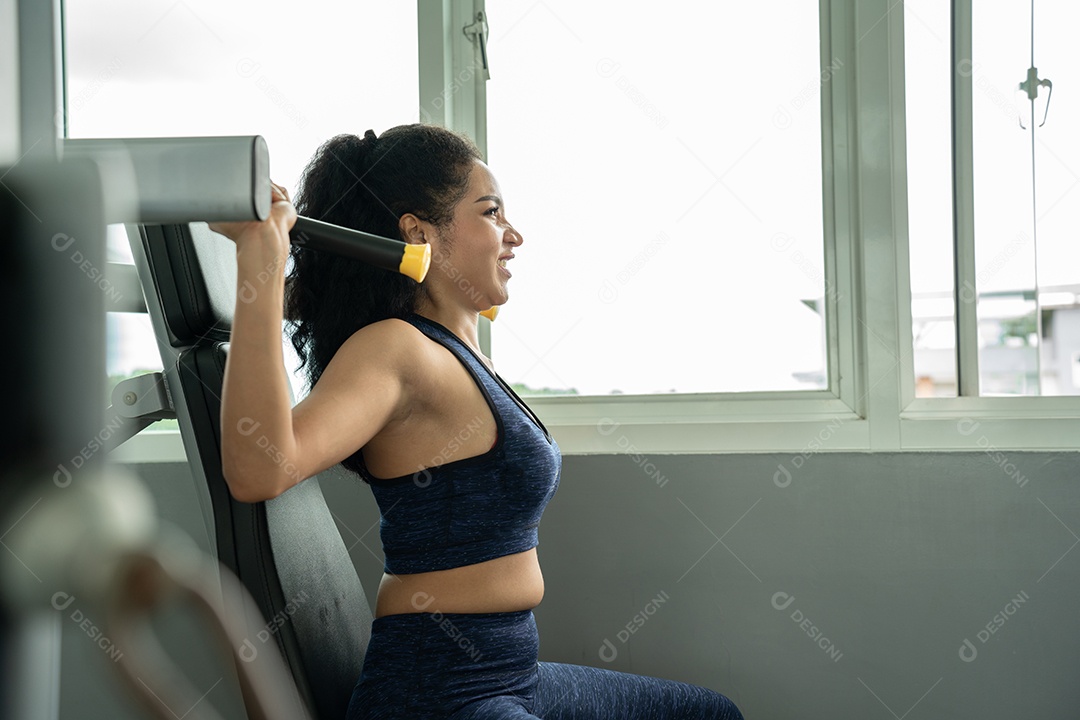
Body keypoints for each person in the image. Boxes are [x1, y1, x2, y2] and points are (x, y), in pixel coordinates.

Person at [214, 124, 742, 720]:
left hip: (511, 672)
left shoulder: (457, 350)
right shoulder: (396, 349)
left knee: (708, 713)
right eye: (491, 213)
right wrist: (261, 259)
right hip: (437, 693)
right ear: (418, 233)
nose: (513, 236)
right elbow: (259, 469)